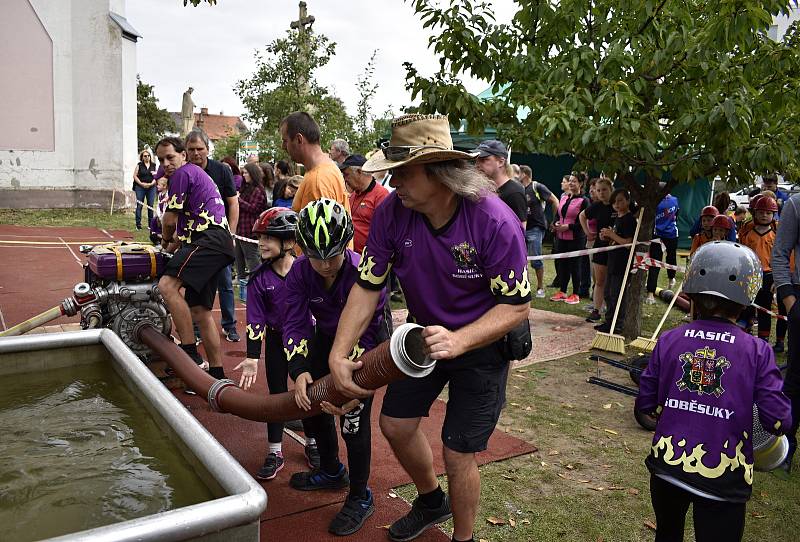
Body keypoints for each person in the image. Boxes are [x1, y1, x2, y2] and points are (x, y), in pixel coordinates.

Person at [327, 114, 531, 542]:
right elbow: (368, 286)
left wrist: (460, 339)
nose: (392, 181)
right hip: (422, 339)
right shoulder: (390, 213)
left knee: (458, 452)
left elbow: (515, 307)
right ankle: (431, 500)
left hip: (482, 344)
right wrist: (338, 352)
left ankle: (464, 537)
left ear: (440, 172)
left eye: (402, 172)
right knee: (396, 426)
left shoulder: (493, 221)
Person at [635, 241, 791, 542]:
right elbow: (778, 419)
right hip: (724, 477)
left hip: (667, 467)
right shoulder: (757, 350)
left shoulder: (670, 339)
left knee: (667, 535)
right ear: (748, 298)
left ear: (690, 291)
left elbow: (646, 401)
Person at [284, 198, 387, 536]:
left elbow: (371, 331)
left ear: (348, 245)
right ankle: (330, 470)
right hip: (325, 337)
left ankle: (360, 495)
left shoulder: (363, 273)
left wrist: (349, 386)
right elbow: (294, 321)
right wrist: (299, 369)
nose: (325, 265)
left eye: (333, 255)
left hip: (366, 343)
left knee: (352, 419)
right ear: (301, 250)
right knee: (311, 401)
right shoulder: (299, 271)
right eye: (316, 256)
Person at [234, 207, 320, 480]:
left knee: (309, 391)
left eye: (268, 237)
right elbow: (255, 320)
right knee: (277, 394)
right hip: (274, 340)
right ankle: (275, 451)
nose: (261, 243)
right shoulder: (260, 278)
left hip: (306, 339)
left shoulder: (308, 270)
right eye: (260, 238)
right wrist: (250, 357)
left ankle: (313, 443)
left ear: (289, 242)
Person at [154, 136, 234, 381]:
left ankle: (189, 355)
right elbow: (185, 228)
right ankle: (218, 373)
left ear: (183, 155)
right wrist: (174, 241)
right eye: (161, 159)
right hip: (216, 242)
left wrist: (164, 242)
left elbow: (169, 220)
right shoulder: (195, 175)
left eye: (170, 157)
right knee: (200, 310)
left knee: (167, 286)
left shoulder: (182, 174)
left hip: (209, 241)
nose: (166, 163)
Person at [185, 130, 241, 342]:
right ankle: (196, 330)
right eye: (191, 149)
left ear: (207, 149)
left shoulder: (222, 171)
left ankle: (230, 325)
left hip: (219, 236)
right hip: (194, 237)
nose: (196, 153)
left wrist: (231, 233)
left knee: (225, 282)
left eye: (200, 149)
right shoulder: (184, 172)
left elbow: (233, 203)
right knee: (194, 283)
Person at [772, 191, 800, 474]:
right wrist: (790, 301)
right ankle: (786, 447)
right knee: (796, 378)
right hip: (799, 297)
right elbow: (779, 252)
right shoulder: (796, 204)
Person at [279, 112, 351, 221]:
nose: (283, 146)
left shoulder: (318, 180)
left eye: (285, 141)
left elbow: (322, 234)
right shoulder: (328, 167)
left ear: (299, 139)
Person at [739, 195, 786, 350]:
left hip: (768, 275)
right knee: (746, 305)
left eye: (768, 213)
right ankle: (743, 335)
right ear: (755, 213)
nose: (764, 215)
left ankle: (763, 340)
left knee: (765, 308)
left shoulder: (777, 232)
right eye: (761, 212)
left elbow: (781, 256)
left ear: (774, 214)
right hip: (750, 274)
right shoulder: (748, 231)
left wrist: (776, 279)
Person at [594, 188, 637, 334]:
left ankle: (618, 324)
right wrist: (606, 236)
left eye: (620, 200)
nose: (617, 204)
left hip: (622, 263)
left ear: (627, 201)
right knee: (607, 293)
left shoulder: (630, 220)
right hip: (612, 261)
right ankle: (609, 321)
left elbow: (628, 243)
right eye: (614, 202)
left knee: (617, 294)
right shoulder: (617, 218)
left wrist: (612, 234)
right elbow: (615, 239)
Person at [520, 165, 558, 298]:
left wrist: (555, 220)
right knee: (520, 260)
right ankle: (525, 287)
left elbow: (555, 201)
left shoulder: (537, 186)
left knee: (536, 260)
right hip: (522, 228)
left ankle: (540, 288)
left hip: (536, 228)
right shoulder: (519, 189)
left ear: (524, 174)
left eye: (518, 173)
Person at [340, 154, 390, 255]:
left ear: (359, 172)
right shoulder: (353, 195)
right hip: (350, 256)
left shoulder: (381, 195)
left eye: (346, 174)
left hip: (368, 260)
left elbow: (385, 234)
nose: (345, 179)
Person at [551, 173, 588, 305]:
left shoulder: (584, 201)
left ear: (581, 184)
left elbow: (584, 223)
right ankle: (562, 291)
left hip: (576, 239)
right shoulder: (564, 197)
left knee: (575, 266)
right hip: (561, 238)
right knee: (563, 265)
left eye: (574, 181)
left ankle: (576, 293)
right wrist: (556, 223)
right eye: (570, 181)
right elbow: (558, 215)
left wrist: (569, 227)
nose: (571, 183)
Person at [580, 177, 614, 322]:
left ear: (611, 189)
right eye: (598, 190)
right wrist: (588, 233)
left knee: (613, 281)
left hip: (618, 249)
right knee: (599, 281)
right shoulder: (597, 206)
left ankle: (612, 311)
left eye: (604, 190)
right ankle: (596, 310)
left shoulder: (619, 203)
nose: (601, 193)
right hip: (600, 247)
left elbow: (636, 214)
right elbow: (582, 216)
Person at [475, 140, 527, 227]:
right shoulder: (481, 188)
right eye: (477, 160)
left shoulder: (514, 193)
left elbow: (519, 232)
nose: (477, 164)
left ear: (501, 162)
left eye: (484, 160)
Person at [235, 163, 269, 290]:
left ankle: (259, 282)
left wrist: (238, 200)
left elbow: (254, 208)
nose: (243, 175)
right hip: (240, 228)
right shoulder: (246, 188)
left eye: (246, 173)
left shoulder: (258, 190)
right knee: (238, 258)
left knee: (252, 258)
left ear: (252, 174)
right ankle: (243, 285)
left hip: (249, 229)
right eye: (243, 173)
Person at [645, 189, 680, 304]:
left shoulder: (655, 202)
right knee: (670, 258)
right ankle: (671, 279)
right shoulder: (674, 200)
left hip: (660, 234)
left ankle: (651, 294)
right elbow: (677, 215)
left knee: (655, 263)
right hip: (668, 234)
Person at [133, 149, 157, 230]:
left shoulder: (154, 165)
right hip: (140, 187)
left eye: (148, 155)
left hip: (151, 187)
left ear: (150, 156)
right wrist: (141, 184)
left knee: (150, 205)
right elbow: (135, 176)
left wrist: (151, 184)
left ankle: (150, 225)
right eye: (145, 156)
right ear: (142, 157)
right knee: (139, 205)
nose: (147, 157)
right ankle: (138, 225)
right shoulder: (139, 165)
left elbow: (156, 177)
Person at [148, 176, 169, 245]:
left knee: (164, 226)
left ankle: (163, 237)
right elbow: (158, 205)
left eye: (159, 185)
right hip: (160, 215)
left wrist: (163, 216)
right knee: (154, 220)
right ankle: (155, 235)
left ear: (165, 186)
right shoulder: (160, 194)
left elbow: (166, 207)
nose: (157, 186)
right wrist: (158, 214)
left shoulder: (167, 195)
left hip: (166, 216)